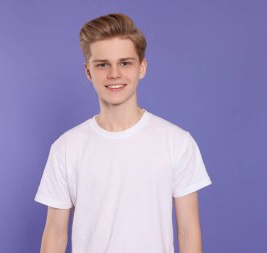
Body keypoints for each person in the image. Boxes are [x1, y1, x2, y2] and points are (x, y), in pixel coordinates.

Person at [34, 13, 212, 253]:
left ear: (142, 67)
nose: (114, 74)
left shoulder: (177, 142)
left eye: (125, 63)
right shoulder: (66, 148)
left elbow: (188, 230)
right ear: (88, 72)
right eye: (103, 64)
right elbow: (55, 234)